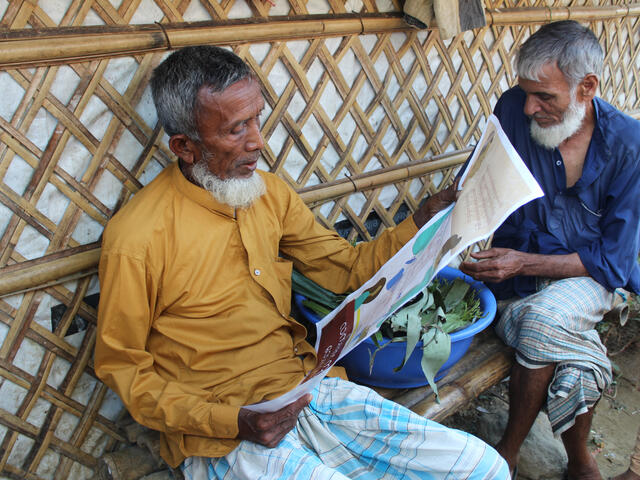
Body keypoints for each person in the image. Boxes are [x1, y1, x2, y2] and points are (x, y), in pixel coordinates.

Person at [94, 45, 509, 480]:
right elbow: (124, 369)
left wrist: (420, 223)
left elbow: (347, 269)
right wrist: (233, 421)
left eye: (257, 118)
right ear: (185, 146)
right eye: (236, 130)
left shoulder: (269, 194)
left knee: (485, 469)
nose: (258, 141)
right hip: (226, 432)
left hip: (310, 391)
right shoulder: (138, 238)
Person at [459, 20, 640, 480]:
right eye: (525, 92)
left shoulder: (629, 146)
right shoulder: (513, 111)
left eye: (546, 97)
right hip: (514, 282)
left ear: (587, 88)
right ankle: (581, 463)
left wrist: (523, 260)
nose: (529, 106)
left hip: (589, 280)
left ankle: (508, 451)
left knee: (542, 322)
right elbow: (475, 181)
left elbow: (613, 262)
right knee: (558, 343)